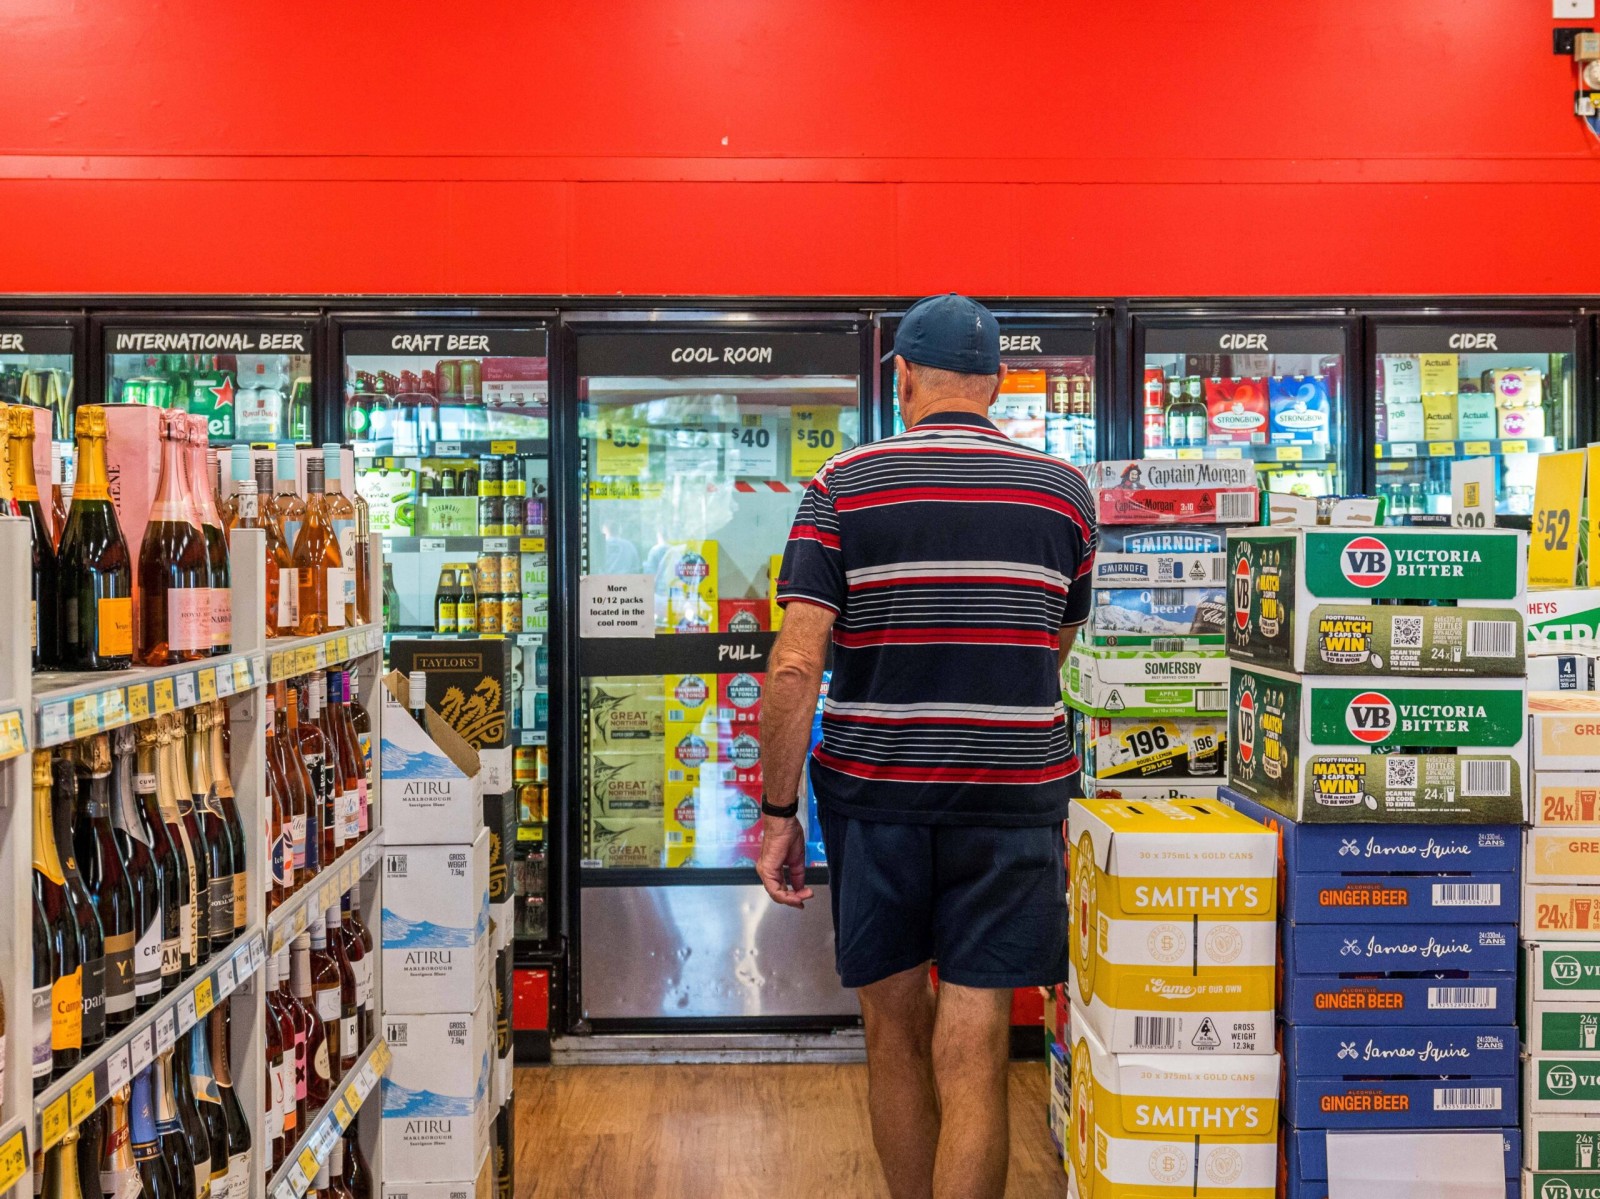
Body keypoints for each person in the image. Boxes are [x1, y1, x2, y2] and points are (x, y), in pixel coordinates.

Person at [756, 293, 1098, 1199]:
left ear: (902, 376)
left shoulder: (842, 485)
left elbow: (795, 665)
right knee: (977, 1047)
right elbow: (1052, 644)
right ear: (997, 383)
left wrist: (779, 813)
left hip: (876, 799)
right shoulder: (1064, 492)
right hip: (1013, 797)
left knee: (895, 1033)